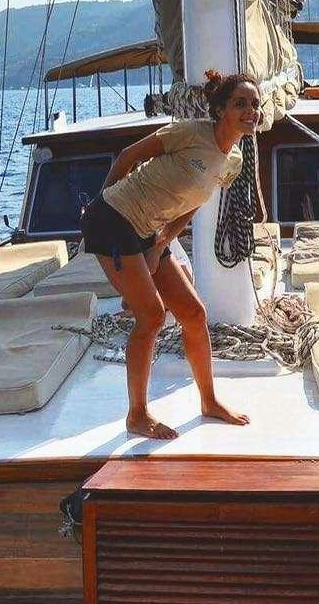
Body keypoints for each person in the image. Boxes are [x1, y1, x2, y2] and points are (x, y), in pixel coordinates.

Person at [78, 69, 262, 439]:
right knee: (151, 315)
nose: (250, 111)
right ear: (222, 109)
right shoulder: (191, 133)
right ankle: (137, 414)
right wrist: (104, 200)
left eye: (255, 105)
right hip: (113, 217)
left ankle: (209, 402)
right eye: (240, 103)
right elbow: (128, 156)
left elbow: (193, 203)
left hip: (148, 230)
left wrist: (163, 240)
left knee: (194, 313)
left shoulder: (233, 160)